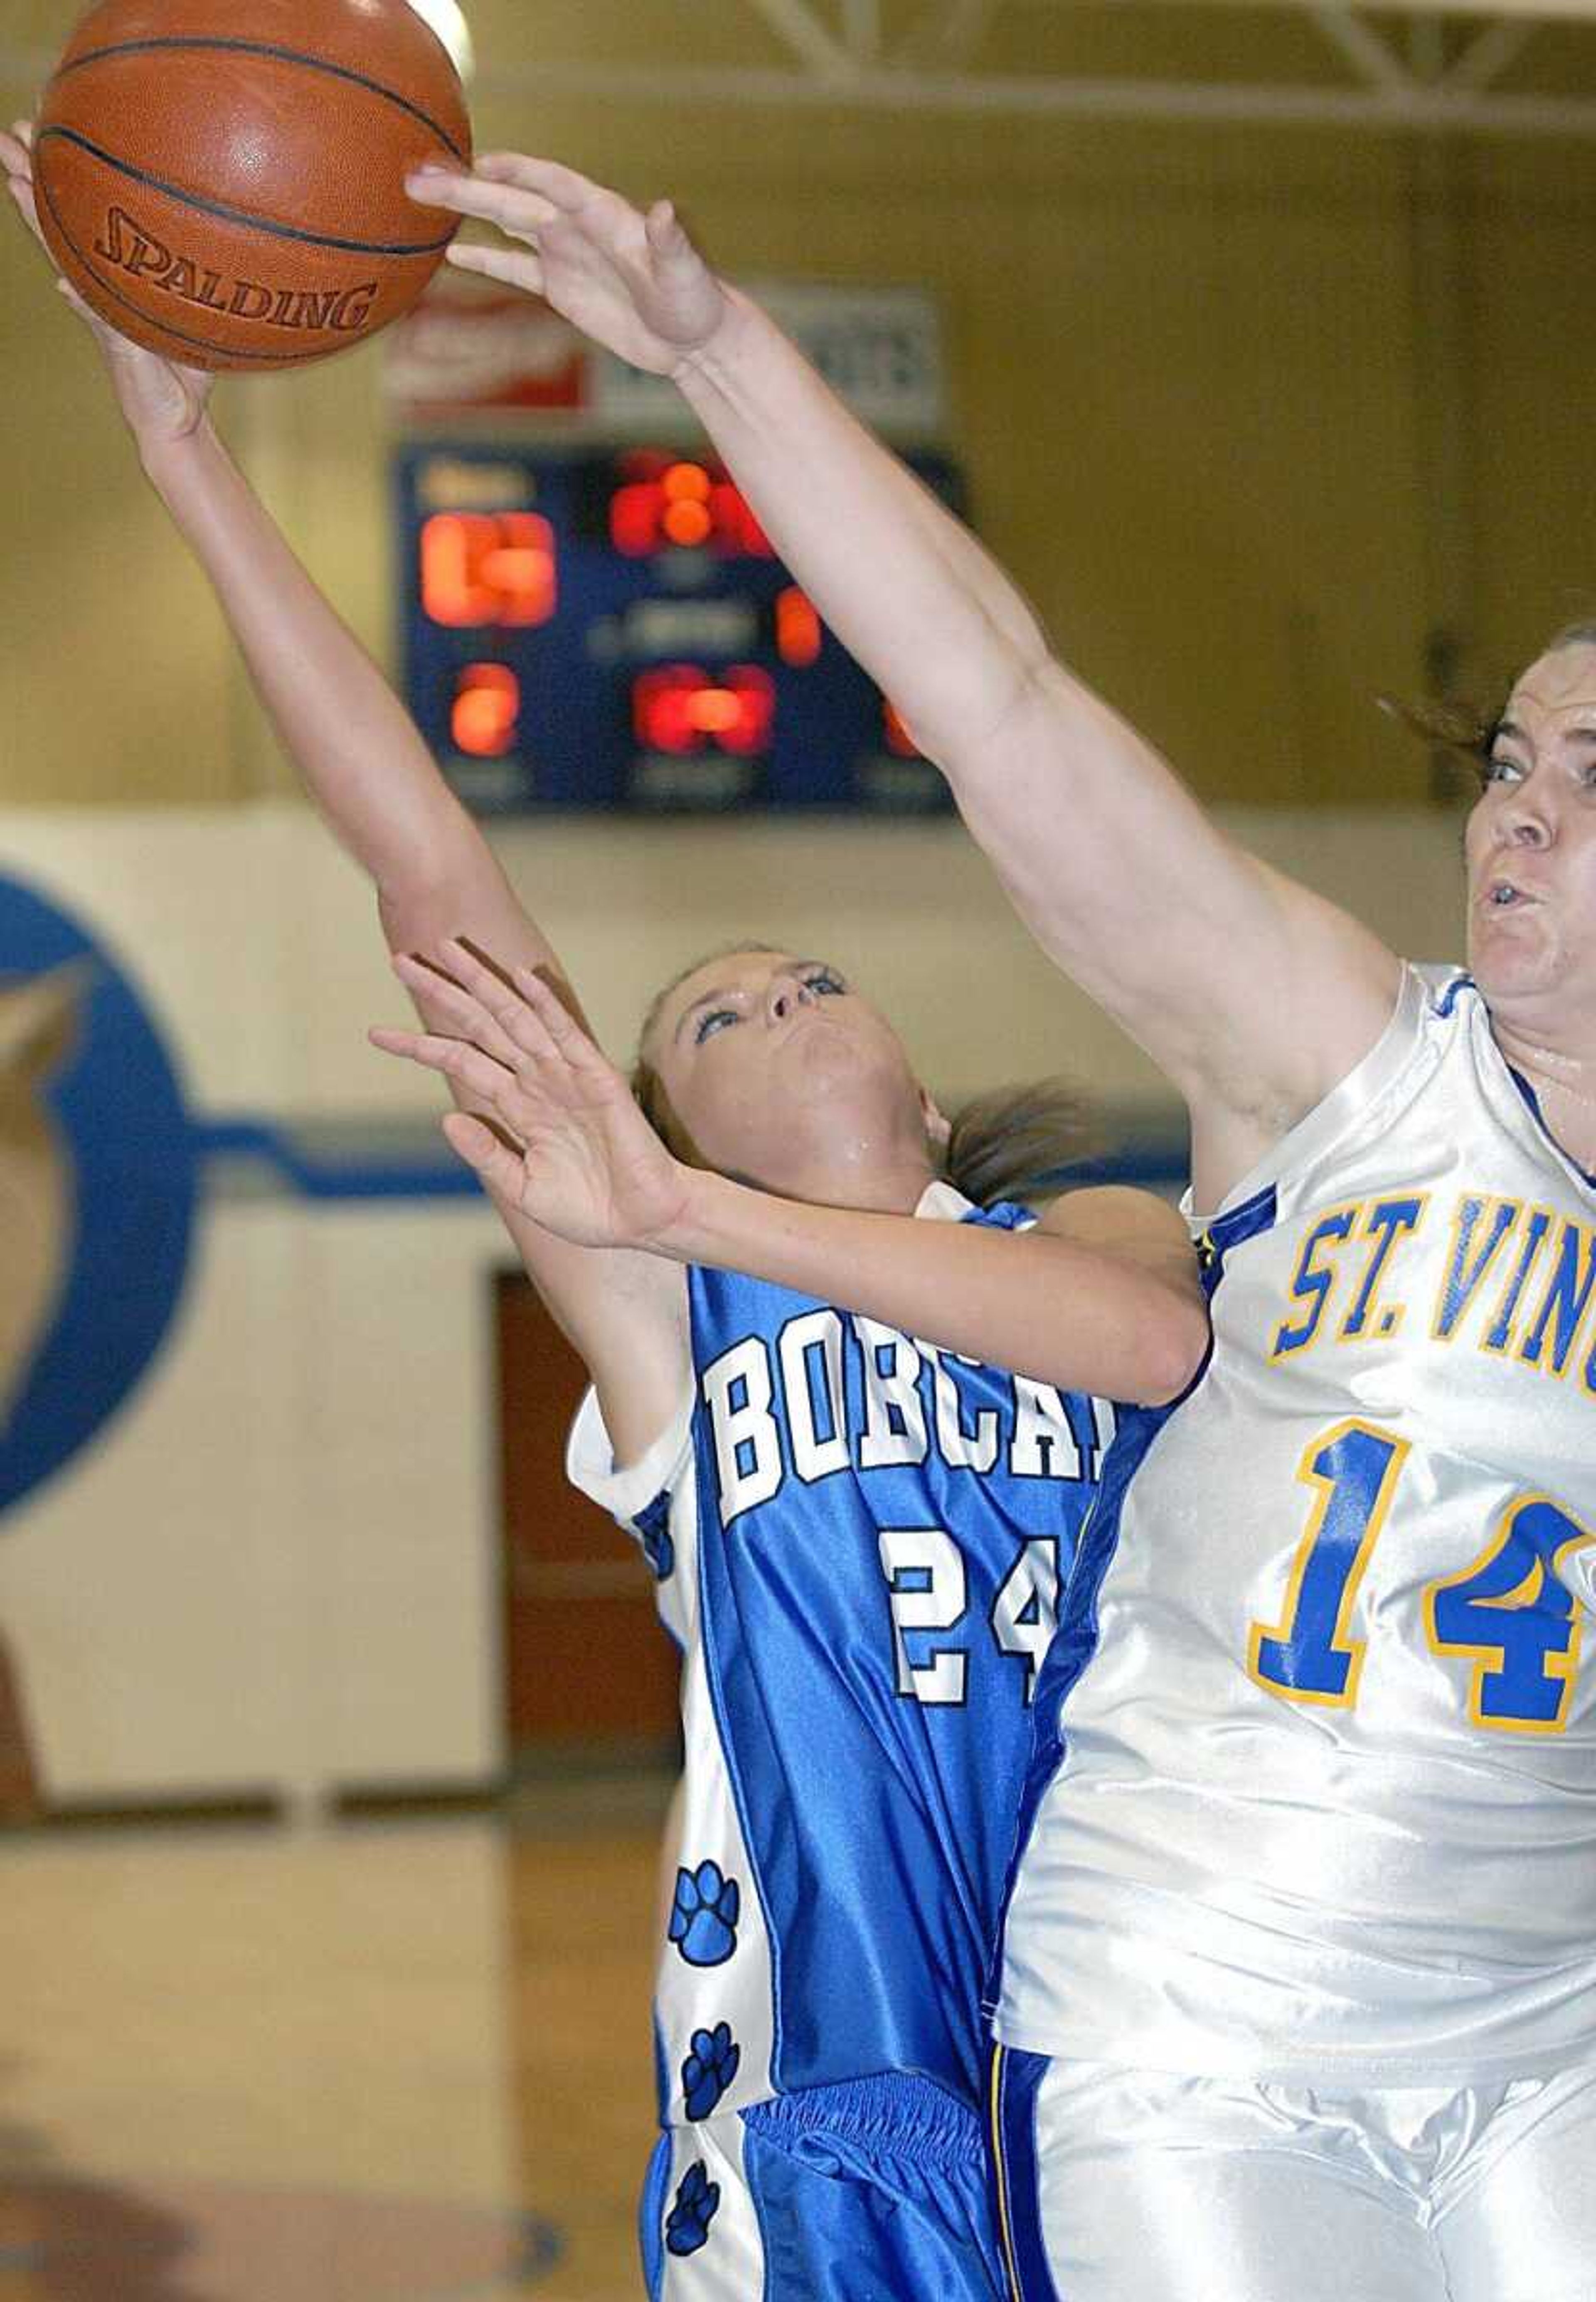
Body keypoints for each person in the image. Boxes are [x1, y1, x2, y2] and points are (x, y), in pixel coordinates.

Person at [2, 123, 1209, 2301]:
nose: (778, 991)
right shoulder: (679, 1323)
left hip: (1131, 2058)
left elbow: (1152, 1355)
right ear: (672, 1124)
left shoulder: (1100, 1231)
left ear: (921, 1084)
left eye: (808, 975)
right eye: (715, 1012)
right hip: (817, 2102)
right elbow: (434, 887)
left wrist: (691, 1203)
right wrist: (189, 463)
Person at [398, 149, 1596, 2302]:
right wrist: (715, 351)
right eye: (1514, 758)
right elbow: (1004, 704)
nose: (1522, 807)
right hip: (1200, 2019)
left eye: (1592, 774)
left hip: (1551, 2035)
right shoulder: (1342, 1048)